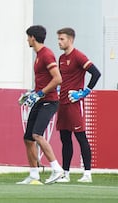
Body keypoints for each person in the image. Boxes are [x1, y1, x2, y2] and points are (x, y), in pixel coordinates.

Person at [17, 25, 64, 185]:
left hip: (49, 101)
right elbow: (44, 80)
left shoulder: (46, 54)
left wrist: (40, 93)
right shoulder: (39, 55)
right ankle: (34, 174)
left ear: (33, 38)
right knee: (28, 139)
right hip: (40, 99)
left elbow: (58, 79)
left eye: (28, 37)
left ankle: (57, 169)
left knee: (37, 135)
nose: (27, 40)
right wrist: (32, 93)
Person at [55, 27, 101, 183]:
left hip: (75, 103)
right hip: (62, 103)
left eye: (62, 39)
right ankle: (65, 173)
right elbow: (61, 78)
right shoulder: (61, 58)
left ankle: (87, 173)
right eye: (58, 39)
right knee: (64, 138)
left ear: (71, 40)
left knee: (81, 137)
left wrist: (84, 92)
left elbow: (96, 73)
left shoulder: (79, 56)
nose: (59, 42)